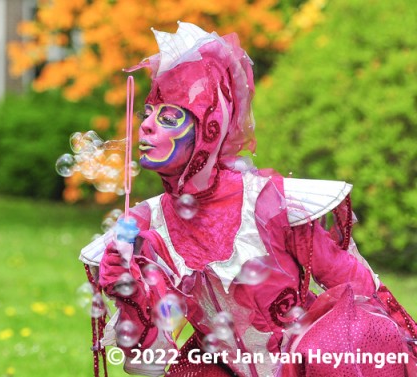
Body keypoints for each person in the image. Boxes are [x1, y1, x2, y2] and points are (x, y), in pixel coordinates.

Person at [80, 23, 417, 377]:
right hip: (223, 368)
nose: (146, 126)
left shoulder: (268, 203)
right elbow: (147, 366)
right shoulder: (146, 227)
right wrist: (130, 293)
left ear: (210, 127)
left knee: (337, 345)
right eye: (148, 112)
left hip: (310, 366)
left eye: (168, 116)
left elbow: (355, 283)